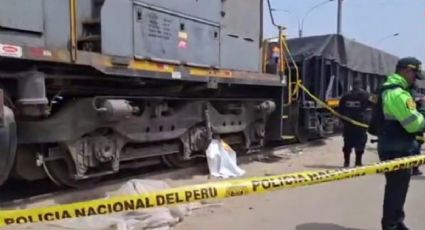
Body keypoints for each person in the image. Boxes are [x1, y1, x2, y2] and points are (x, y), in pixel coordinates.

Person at [375, 57, 425, 230]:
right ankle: (392, 225)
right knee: (396, 189)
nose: (415, 79)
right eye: (414, 75)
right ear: (405, 71)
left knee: (398, 188)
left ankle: (396, 221)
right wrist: (423, 113)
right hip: (398, 147)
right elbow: (413, 124)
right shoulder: (397, 92)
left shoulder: (397, 91)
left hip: (394, 144)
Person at [338, 78, 371, 167]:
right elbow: (373, 105)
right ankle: (358, 162)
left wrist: (343, 121)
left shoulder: (346, 96)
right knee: (360, 143)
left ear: (352, 85)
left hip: (348, 125)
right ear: (360, 85)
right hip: (360, 125)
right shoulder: (366, 95)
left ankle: (346, 162)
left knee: (347, 143)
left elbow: (340, 110)